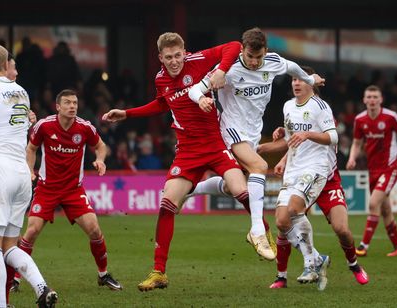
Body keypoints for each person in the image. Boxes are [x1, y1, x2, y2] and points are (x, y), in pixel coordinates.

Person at [102, 32, 272, 291]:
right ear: (160, 58)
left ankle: (261, 232)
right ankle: (159, 272)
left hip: (215, 143)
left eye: (178, 55)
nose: (174, 61)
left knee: (240, 189)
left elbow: (234, 46)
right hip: (188, 150)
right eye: (168, 57)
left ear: (185, 52)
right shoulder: (160, 79)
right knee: (167, 203)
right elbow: (162, 104)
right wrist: (127, 113)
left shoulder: (199, 60)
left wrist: (220, 71)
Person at [188, 27, 325, 256]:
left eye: (258, 57)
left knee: (236, 186)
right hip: (230, 129)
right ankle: (257, 230)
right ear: (242, 51)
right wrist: (201, 98)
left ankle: (190, 190)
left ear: (266, 52)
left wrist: (309, 78)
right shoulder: (228, 68)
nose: (253, 62)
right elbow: (194, 89)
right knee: (260, 167)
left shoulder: (272, 62)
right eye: (250, 57)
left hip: (252, 133)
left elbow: (292, 67)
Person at [257, 66, 368, 290]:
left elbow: (333, 137)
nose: (296, 83)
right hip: (299, 171)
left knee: (341, 229)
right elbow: (292, 140)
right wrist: (267, 151)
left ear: (311, 82)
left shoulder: (320, 106)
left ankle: (353, 264)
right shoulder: (288, 106)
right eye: (293, 80)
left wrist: (307, 133)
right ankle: (284, 275)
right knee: (282, 222)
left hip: (324, 174)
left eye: (301, 80)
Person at [0, 44, 57, 308]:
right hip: (21, 171)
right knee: (9, 246)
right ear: (6, 65)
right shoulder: (21, 92)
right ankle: (41, 286)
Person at [11, 89, 122, 292]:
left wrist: (100, 159)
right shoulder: (44, 126)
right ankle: (15, 279)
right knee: (32, 231)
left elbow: (101, 145)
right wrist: (29, 171)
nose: (72, 106)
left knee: (95, 230)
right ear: (58, 107)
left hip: (73, 189)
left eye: (75, 103)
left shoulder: (84, 127)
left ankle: (103, 274)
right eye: (68, 103)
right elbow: (31, 149)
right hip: (47, 188)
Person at [346, 85, 397, 257]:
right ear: (364, 100)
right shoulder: (360, 120)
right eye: (369, 97)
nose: (372, 100)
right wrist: (352, 158)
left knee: (373, 203)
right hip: (373, 169)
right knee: (385, 210)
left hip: (390, 167)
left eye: (375, 97)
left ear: (381, 99)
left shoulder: (391, 117)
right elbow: (357, 143)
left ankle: (363, 246)